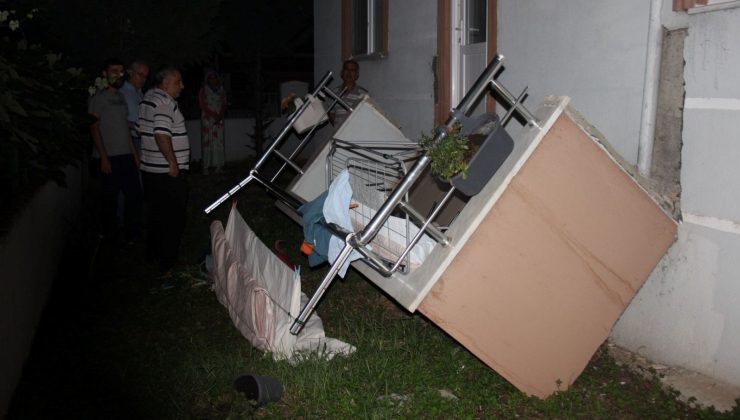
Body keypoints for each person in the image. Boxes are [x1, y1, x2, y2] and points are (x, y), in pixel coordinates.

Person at [136, 66, 190, 272]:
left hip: (150, 170)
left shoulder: (148, 97)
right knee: (173, 217)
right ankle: (168, 262)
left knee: (155, 214)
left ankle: (153, 254)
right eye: (178, 82)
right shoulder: (165, 102)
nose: (182, 86)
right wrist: (173, 163)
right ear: (165, 83)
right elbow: (161, 133)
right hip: (166, 173)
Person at [88, 57, 143, 244]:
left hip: (126, 155)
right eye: (113, 71)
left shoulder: (120, 97)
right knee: (109, 200)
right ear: (105, 73)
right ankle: (109, 236)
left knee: (134, 195)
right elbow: (94, 127)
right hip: (108, 157)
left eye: (121, 71)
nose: (118, 75)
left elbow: (123, 128)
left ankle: (132, 235)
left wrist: (135, 156)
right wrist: (103, 157)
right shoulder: (98, 96)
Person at [197, 69, 227, 174]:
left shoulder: (221, 90)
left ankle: (218, 166)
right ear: (207, 79)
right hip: (208, 119)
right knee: (207, 142)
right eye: (210, 78)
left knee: (218, 142)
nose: (212, 80)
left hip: (219, 119)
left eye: (214, 78)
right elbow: (202, 105)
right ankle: (206, 167)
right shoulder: (203, 90)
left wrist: (219, 115)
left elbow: (224, 103)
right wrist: (213, 115)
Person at [120, 59, 150, 156]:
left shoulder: (140, 93)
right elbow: (118, 120)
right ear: (130, 73)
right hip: (130, 140)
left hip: (143, 139)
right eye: (140, 75)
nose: (144, 79)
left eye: (146, 76)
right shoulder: (122, 93)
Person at [331, 59, 368, 130]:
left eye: (352, 70)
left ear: (357, 75)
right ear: (341, 73)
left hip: (355, 135)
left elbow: (365, 117)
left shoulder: (363, 94)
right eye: (346, 69)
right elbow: (331, 114)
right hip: (337, 134)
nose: (349, 73)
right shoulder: (333, 93)